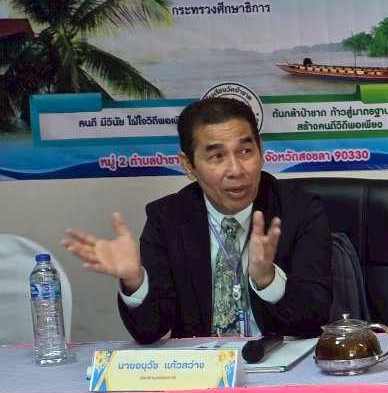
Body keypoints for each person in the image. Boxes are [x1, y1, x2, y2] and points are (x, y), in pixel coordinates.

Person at [63, 96, 332, 343]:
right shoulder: (167, 219)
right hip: (199, 369)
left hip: (278, 364)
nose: (236, 170)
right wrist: (135, 281)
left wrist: (267, 278)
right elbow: (148, 331)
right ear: (188, 166)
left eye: (245, 151)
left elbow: (314, 320)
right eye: (217, 156)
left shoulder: (301, 210)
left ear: (261, 151)